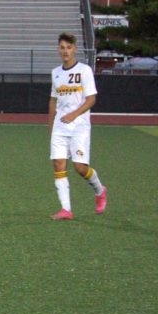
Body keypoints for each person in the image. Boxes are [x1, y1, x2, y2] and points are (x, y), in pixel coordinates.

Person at [49, 32, 107, 220]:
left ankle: (100, 190)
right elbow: (53, 101)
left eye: (68, 47)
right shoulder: (56, 73)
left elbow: (91, 99)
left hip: (79, 126)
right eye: (62, 47)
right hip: (60, 126)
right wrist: (51, 127)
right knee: (58, 164)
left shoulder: (84, 70)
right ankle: (66, 209)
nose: (65, 51)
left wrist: (74, 114)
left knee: (80, 168)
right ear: (58, 50)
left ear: (74, 49)